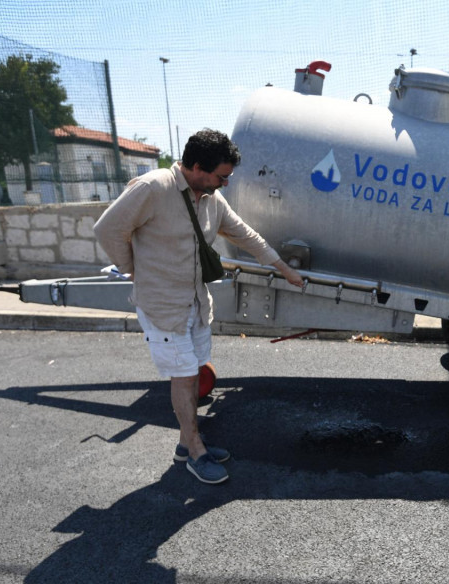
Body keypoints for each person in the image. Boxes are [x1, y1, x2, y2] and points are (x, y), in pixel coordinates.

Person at [94, 129, 303, 485]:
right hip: (162, 305)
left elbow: (244, 234)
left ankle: (184, 442)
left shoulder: (210, 199)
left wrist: (282, 268)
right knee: (185, 375)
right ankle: (195, 451)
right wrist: (133, 269)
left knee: (194, 371)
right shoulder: (153, 188)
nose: (224, 184)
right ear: (195, 166)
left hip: (194, 301)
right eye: (221, 177)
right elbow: (108, 229)